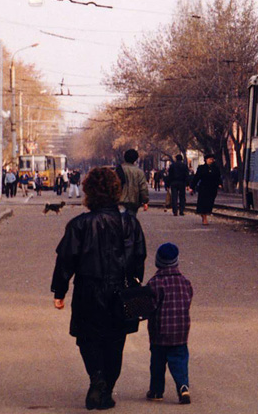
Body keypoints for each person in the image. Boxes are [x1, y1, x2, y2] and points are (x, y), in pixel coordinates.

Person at [51, 167, 147, 411]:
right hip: (121, 290)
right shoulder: (131, 224)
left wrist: (59, 292)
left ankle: (97, 379)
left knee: (88, 338)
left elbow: (65, 260)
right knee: (116, 341)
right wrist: (134, 284)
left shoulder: (79, 225)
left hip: (88, 289)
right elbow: (139, 257)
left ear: (89, 193)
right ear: (117, 191)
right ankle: (106, 389)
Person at [145, 243, 194, 404]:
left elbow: (150, 307)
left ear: (158, 262)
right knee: (180, 359)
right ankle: (183, 386)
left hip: (159, 332)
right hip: (180, 331)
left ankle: (156, 391)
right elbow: (188, 300)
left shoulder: (155, 283)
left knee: (157, 363)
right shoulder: (185, 282)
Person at [117, 149, 150, 216]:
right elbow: (143, 188)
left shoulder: (119, 169)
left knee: (120, 221)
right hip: (133, 201)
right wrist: (145, 200)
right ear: (135, 159)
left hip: (120, 200)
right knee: (131, 221)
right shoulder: (139, 172)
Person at [192, 155, 221, 227]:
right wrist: (192, 186)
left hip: (212, 188)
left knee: (210, 202)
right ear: (206, 160)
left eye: (212, 159)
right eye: (210, 159)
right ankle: (204, 218)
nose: (211, 160)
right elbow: (196, 177)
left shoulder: (216, 168)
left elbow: (218, 177)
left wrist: (220, 184)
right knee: (203, 203)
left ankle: (205, 214)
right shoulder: (201, 168)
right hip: (203, 188)